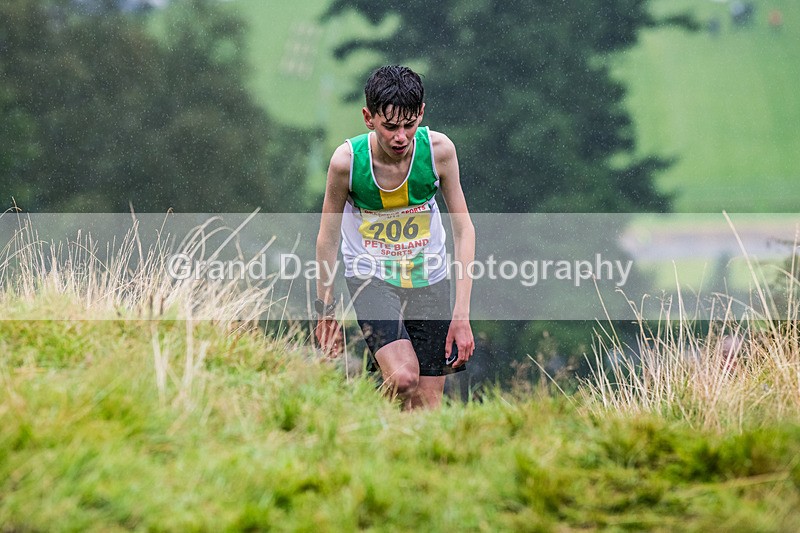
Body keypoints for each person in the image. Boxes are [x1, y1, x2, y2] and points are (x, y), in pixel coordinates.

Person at [315, 65, 476, 410]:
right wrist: (326, 312)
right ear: (368, 118)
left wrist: (461, 316)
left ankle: (377, 432)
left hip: (429, 280)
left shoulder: (439, 152)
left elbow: (465, 230)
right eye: (390, 127)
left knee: (426, 408)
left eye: (409, 125)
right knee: (404, 378)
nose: (401, 137)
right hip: (371, 278)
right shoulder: (346, 163)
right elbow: (327, 239)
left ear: (421, 114)